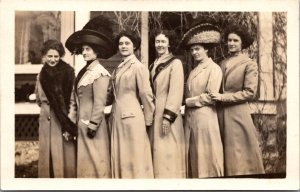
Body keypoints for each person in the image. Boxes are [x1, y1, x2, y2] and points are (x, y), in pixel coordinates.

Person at [209, 25, 265, 176]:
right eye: (229, 40)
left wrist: (223, 97)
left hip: (238, 115)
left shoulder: (249, 63)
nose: (231, 43)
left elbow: (250, 92)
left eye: (235, 40)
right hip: (221, 114)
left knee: (239, 157)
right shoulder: (221, 63)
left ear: (242, 43)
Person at [65, 16, 116, 178]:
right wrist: (71, 124)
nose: (84, 52)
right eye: (83, 49)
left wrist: (92, 125)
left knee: (96, 161)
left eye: (88, 49)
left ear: (97, 51)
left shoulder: (99, 73)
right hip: (81, 124)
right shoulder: (84, 72)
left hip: (93, 126)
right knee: (85, 164)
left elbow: (100, 103)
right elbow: (76, 100)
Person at [107, 29, 155, 178]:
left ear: (134, 46)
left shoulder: (138, 67)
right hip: (116, 118)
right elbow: (111, 94)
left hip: (131, 119)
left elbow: (146, 94)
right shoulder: (118, 67)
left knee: (134, 158)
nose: (123, 46)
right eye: (121, 43)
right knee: (121, 157)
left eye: (127, 43)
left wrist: (148, 120)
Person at [180, 23, 224, 178]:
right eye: (192, 50)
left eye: (197, 48)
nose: (194, 52)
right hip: (191, 119)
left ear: (206, 49)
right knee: (193, 156)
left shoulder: (214, 69)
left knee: (207, 156)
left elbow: (211, 97)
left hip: (205, 118)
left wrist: (189, 102)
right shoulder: (193, 71)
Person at [35, 39, 76, 178]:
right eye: (50, 56)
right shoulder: (41, 74)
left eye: (56, 56)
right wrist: (46, 108)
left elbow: (71, 99)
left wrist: (68, 124)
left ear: (61, 56)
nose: (53, 59)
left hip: (62, 119)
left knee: (62, 154)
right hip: (45, 118)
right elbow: (38, 99)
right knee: (47, 155)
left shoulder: (68, 73)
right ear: (44, 56)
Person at [148, 30, 185, 178]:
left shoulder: (175, 63)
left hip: (168, 113)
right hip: (155, 112)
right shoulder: (153, 65)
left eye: (163, 41)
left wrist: (168, 117)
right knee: (158, 151)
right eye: (157, 42)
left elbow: (176, 91)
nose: (160, 45)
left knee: (168, 150)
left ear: (169, 43)